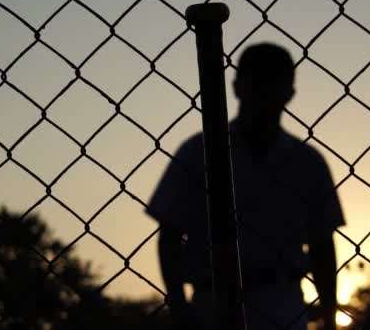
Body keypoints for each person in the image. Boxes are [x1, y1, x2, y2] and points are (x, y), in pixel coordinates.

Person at [146, 43, 345, 330]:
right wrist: (178, 308)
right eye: (258, 80)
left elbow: (322, 244)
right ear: (237, 87)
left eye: (272, 81)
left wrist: (329, 315)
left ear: (289, 93)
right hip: (211, 301)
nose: (264, 91)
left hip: (282, 300)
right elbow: (170, 236)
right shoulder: (197, 151)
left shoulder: (307, 162)